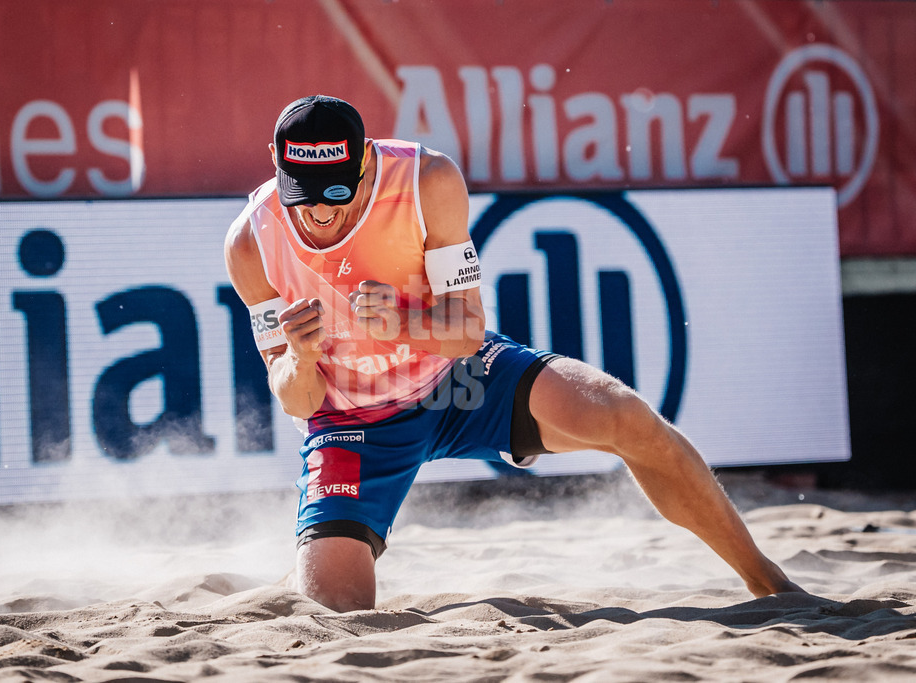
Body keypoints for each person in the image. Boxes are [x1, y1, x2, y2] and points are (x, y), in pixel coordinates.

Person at [225, 94, 804, 612]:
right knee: (335, 612)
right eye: (304, 195)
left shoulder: (427, 180)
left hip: (459, 378)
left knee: (626, 417)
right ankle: (323, 541)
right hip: (352, 423)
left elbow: (468, 330)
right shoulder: (252, 240)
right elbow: (298, 399)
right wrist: (299, 359)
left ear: (367, 160)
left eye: (337, 193)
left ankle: (767, 579)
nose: (321, 212)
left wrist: (401, 320)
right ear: (277, 167)